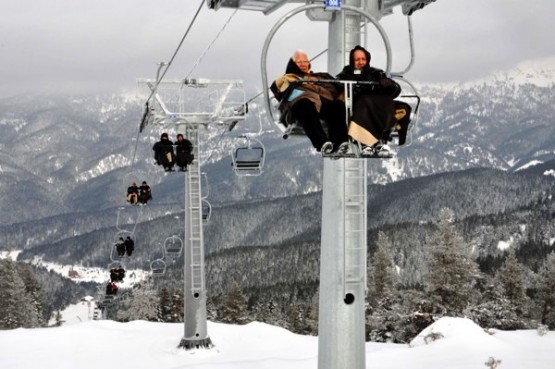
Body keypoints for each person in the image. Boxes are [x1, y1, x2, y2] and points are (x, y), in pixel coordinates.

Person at [336, 45, 411, 156]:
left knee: (396, 104)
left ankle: (377, 139)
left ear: (367, 59)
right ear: (352, 61)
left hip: (378, 104)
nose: (361, 62)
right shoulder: (346, 74)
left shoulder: (376, 73)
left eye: (363, 59)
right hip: (359, 105)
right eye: (357, 59)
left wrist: (389, 85)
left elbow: (395, 91)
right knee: (366, 102)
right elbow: (338, 87)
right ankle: (373, 141)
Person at [271, 49, 348, 154]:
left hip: (321, 104)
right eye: (299, 62)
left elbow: (336, 89)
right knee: (306, 103)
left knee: (337, 106)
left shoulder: (320, 77)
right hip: (299, 106)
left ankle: (339, 142)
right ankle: (321, 143)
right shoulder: (287, 79)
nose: (303, 64)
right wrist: (304, 86)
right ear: (292, 64)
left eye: (305, 61)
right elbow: (279, 91)